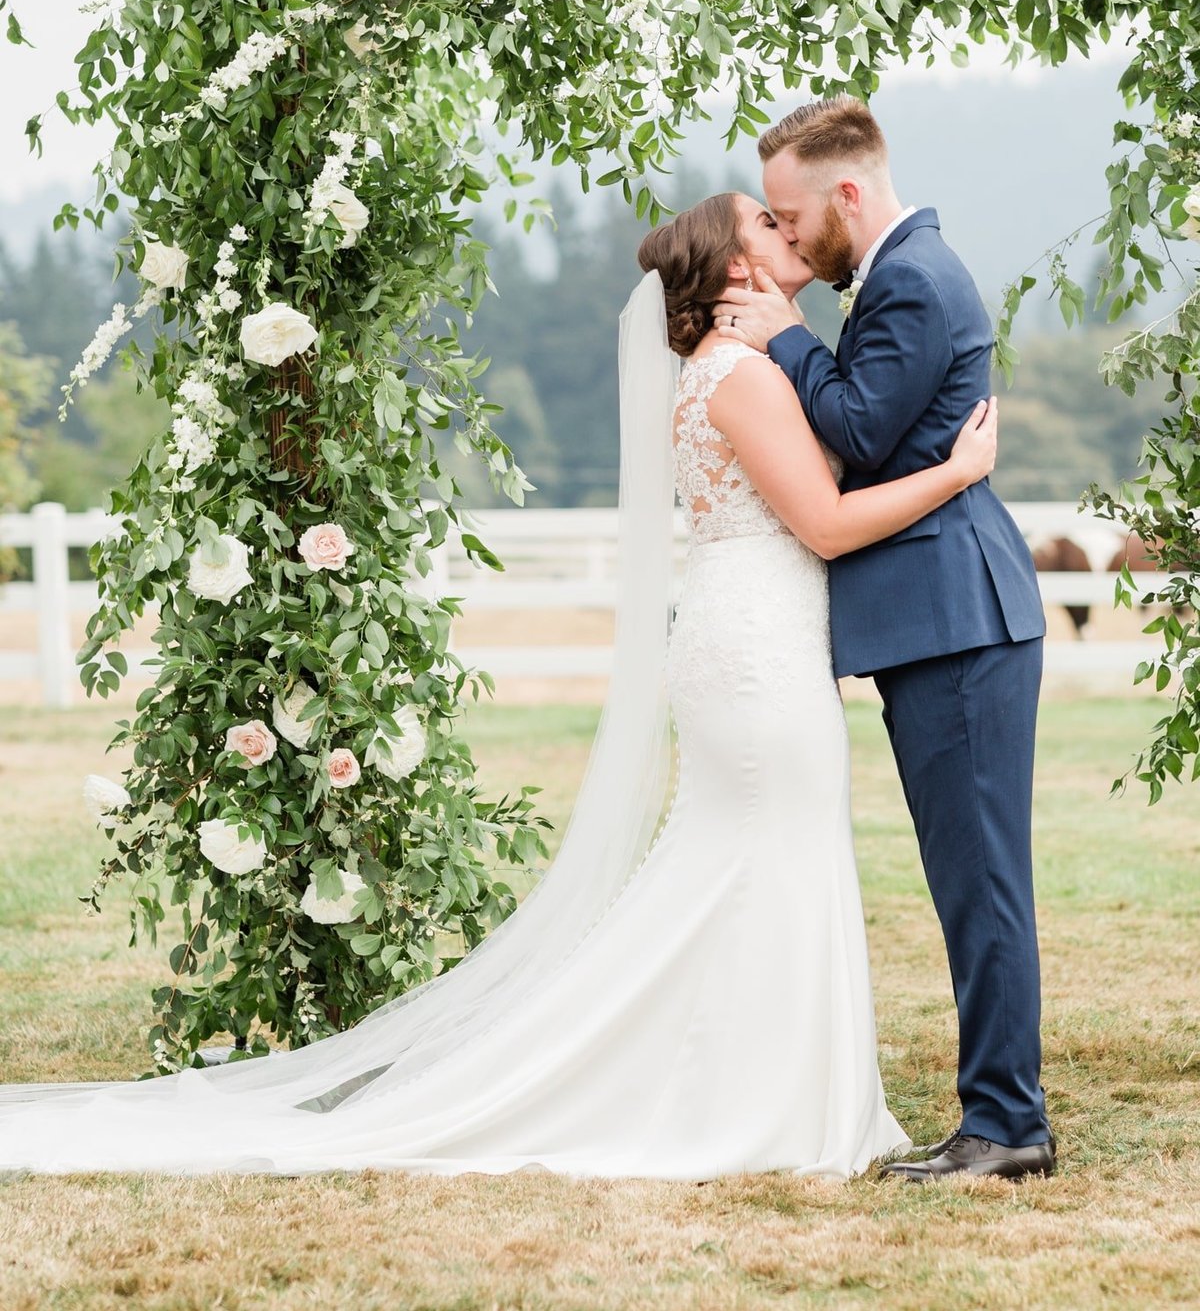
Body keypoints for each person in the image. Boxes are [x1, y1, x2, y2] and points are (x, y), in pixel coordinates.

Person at [0, 187, 997, 1180]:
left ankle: (760, 1090)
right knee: (763, 856)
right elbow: (824, 524)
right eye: (768, 227)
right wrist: (958, 474)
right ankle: (755, 1103)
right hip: (757, 645)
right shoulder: (740, 374)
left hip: (747, 633)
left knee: (751, 858)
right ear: (736, 268)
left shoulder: (720, 367)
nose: (790, 235)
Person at [714, 93, 1056, 1183]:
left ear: (846, 194)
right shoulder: (908, 271)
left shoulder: (911, 277)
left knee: (981, 877)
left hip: (958, 620)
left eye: (791, 214)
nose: (790, 237)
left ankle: (1006, 1126)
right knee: (972, 873)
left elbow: (859, 427)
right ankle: (999, 1114)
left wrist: (784, 338)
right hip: (946, 616)